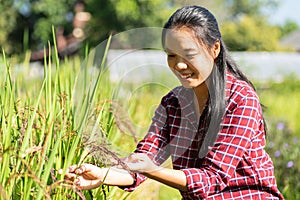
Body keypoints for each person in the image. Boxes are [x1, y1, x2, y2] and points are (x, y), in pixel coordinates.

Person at [64, 5, 284, 199]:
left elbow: (213, 179)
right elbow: (144, 158)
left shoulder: (241, 98)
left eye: (189, 54)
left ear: (214, 49)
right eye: (171, 55)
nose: (179, 65)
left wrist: (153, 171)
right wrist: (102, 175)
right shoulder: (172, 103)